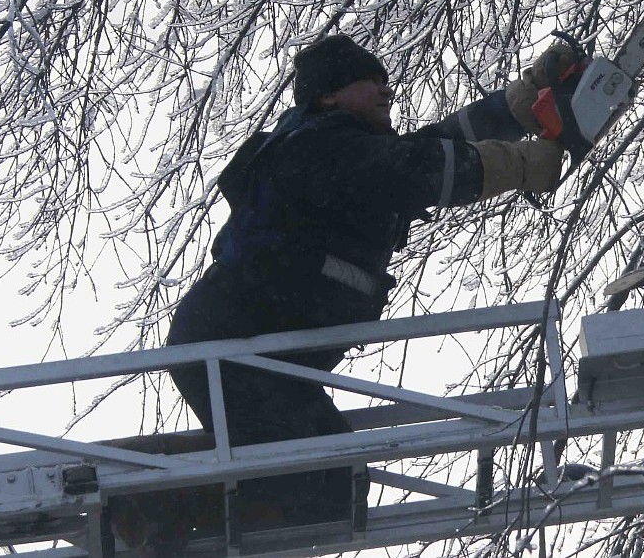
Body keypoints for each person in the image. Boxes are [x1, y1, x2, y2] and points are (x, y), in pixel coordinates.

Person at [119, 34, 569, 554]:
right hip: (231, 349)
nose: (386, 89)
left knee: (332, 482)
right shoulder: (324, 151)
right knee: (319, 482)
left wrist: (523, 101)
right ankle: (142, 506)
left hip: (253, 350)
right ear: (329, 95)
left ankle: (149, 504)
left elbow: (435, 145)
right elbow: (422, 168)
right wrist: (528, 165)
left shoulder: (342, 152)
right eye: (370, 80)